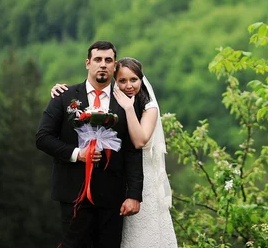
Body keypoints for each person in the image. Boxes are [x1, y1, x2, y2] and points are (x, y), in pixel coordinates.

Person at [51, 56, 178, 247]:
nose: (128, 85)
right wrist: (61, 90)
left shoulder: (146, 106)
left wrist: (128, 108)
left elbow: (139, 141)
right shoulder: (115, 101)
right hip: (118, 184)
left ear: (141, 79)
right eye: (122, 80)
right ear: (115, 82)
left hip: (142, 181)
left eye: (133, 80)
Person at [36, 41, 143, 248]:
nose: (103, 65)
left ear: (114, 66)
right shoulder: (64, 97)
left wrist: (134, 195)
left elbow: (132, 151)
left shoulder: (125, 102)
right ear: (88, 63)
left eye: (108, 60)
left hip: (112, 198)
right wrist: (77, 153)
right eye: (98, 59)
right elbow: (43, 138)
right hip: (73, 193)